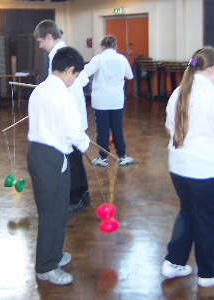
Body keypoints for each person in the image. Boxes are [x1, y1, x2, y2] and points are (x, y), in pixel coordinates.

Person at [162, 47, 214, 287]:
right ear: (212, 69)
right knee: (209, 219)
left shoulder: (179, 92)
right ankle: (208, 274)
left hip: (178, 167)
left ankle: (174, 262)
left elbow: (170, 129)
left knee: (188, 212)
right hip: (204, 171)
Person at [27, 47, 90, 285]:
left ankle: (53, 254)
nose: (74, 80)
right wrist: (86, 146)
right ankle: (46, 266)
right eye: (75, 75)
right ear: (69, 70)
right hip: (50, 157)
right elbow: (74, 131)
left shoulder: (41, 88)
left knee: (55, 209)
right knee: (52, 213)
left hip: (39, 153)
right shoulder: (62, 94)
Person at [34, 20, 90, 214]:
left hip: (68, 117)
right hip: (72, 115)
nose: (40, 46)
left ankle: (74, 199)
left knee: (71, 159)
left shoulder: (60, 55)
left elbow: (64, 88)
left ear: (49, 37)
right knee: (75, 156)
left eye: (41, 41)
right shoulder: (64, 53)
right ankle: (83, 192)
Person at [84, 35, 134, 167]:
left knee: (102, 130)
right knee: (117, 128)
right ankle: (122, 156)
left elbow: (86, 72)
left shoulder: (98, 58)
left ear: (102, 46)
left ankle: (103, 158)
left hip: (100, 101)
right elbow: (130, 75)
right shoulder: (122, 59)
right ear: (116, 46)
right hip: (116, 100)